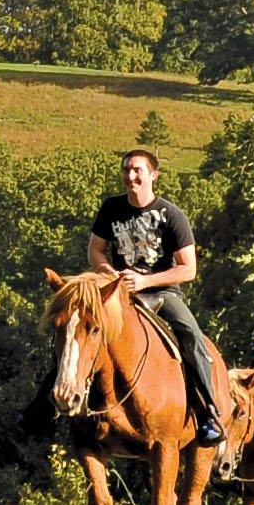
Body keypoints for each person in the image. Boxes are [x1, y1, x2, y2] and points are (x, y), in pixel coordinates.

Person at [86, 147, 229, 449]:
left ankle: (207, 414)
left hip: (162, 293)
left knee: (192, 337)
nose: (131, 175)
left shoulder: (171, 215)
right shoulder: (111, 208)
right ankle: (49, 404)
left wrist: (146, 280)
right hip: (117, 290)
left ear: (154, 175)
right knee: (77, 325)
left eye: (137, 170)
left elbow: (188, 269)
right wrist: (111, 274)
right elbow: (95, 250)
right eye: (126, 169)